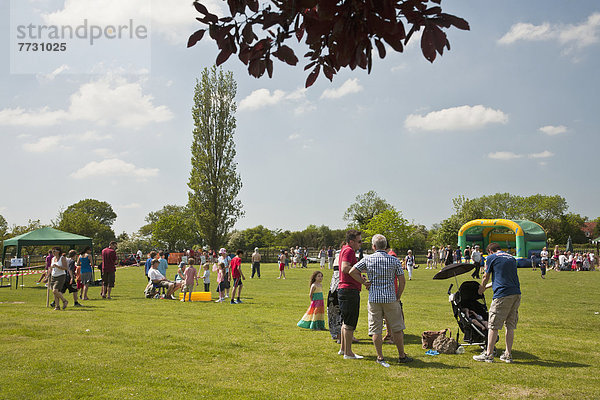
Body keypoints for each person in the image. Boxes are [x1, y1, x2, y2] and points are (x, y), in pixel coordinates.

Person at [351, 234, 412, 367]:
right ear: (385, 246)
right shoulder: (394, 260)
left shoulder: (368, 259)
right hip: (390, 297)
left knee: (376, 329)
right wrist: (398, 295)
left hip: (374, 298)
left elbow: (352, 271)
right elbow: (402, 280)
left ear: (373, 246)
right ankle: (401, 355)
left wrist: (364, 282)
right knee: (397, 328)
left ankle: (380, 356)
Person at [473, 243, 521, 363]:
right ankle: (508, 354)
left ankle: (488, 355)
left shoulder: (491, 258)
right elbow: (503, 278)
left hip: (502, 295)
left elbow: (485, 276)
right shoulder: (511, 258)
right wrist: (488, 287)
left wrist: (481, 289)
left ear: (490, 251)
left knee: (493, 325)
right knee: (510, 325)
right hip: (515, 293)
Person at [338, 229, 367, 360]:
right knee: (350, 323)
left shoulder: (345, 249)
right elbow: (345, 268)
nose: (360, 244)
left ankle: (343, 349)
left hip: (345, 290)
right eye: (359, 241)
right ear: (351, 241)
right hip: (349, 290)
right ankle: (348, 353)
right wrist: (362, 280)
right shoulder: (349, 250)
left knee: (346, 322)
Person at [327, 245, 343, 341]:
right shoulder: (344, 256)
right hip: (339, 287)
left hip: (333, 287)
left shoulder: (338, 256)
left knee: (333, 312)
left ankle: (337, 334)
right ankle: (340, 335)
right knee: (339, 312)